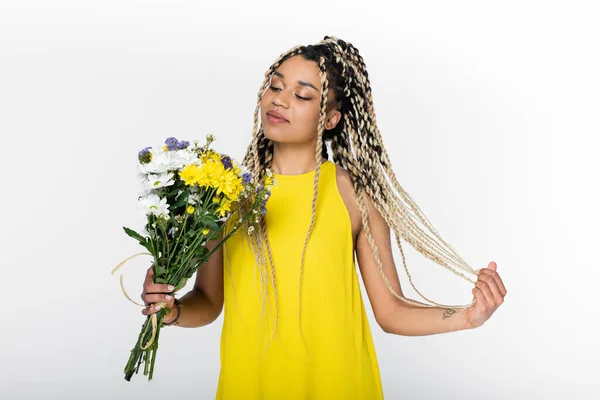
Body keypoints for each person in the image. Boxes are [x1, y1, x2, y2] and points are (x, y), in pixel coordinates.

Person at [140, 36, 507, 399]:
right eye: (275, 85)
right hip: (251, 385)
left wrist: (466, 317)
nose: (280, 99)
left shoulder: (353, 195)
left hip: (340, 384)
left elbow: (391, 310)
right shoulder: (226, 193)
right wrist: (171, 311)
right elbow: (208, 300)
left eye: (301, 95)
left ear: (330, 118)